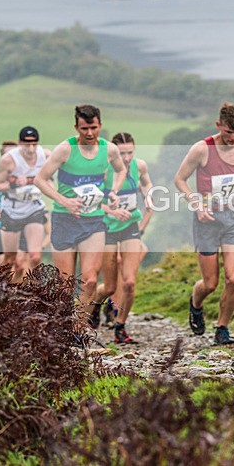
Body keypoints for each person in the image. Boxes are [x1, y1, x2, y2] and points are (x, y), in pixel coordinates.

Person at [173, 102, 234, 346]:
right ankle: (196, 304)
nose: (233, 138)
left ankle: (222, 329)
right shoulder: (201, 149)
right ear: (219, 126)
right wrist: (196, 204)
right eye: (228, 133)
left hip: (233, 220)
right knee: (210, 283)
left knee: (233, 279)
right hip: (207, 221)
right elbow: (180, 180)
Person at [34, 105, 126, 333]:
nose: (89, 133)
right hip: (64, 219)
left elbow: (121, 170)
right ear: (77, 127)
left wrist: (114, 190)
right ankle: (60, 329)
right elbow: (40, 179)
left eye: (93, 128)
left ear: (100, 126)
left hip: (93, 220)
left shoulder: (109, 149)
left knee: (91, 280)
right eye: (84, 128)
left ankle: (77, 330)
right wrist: (63, 200)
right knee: (65, 286)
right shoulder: (65, 149)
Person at [95, 132, 154, 344]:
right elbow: (91, 202)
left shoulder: (140, 166)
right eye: (122, 153)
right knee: (110, 287)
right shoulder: (104, 170)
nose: (127, 158)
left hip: (130, 226)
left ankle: (120, 325)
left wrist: (148, 197)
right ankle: (96, 303)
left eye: (130, 152)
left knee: (129, 282)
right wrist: (112, 212)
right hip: (106, 228)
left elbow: (147, 190)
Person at [0, 127, 51, 282]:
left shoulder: (44, 155)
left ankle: (26, 291)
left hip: (33, 208)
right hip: (12, 210)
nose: (31, 149)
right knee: (10, 259)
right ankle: (1, 288)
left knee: (35, 256)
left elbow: (50, 179)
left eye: (34, 144)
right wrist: (14, 184)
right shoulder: (9, 160)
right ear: (20, 143)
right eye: (27, 144)